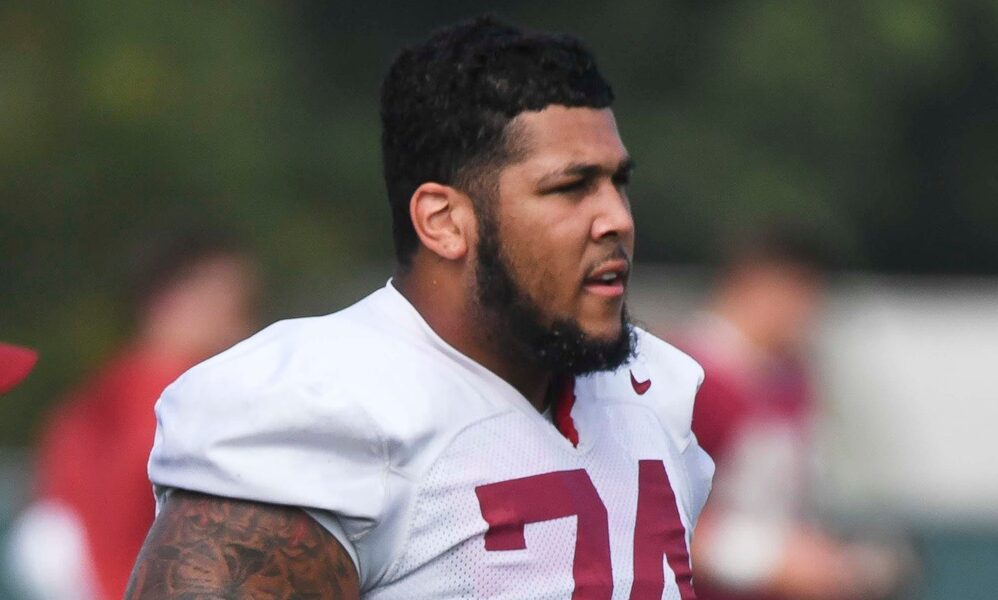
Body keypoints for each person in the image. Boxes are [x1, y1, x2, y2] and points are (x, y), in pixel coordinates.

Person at [126, 16, 714, 599]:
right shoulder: (331, 405)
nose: (618, 219)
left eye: (618, 182)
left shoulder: (652, 394)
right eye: (570, 187)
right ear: (444, 221)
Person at [7, 231, 259, 600]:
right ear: (172, 299)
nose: (246, 326)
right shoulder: (173, 395)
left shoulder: (101, 392)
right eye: (236, 305)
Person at [678, 228, 902, 600]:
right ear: (755, 285)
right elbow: (649, 518)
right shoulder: (685, 378)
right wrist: (767, 559)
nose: (811, 312)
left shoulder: (795, 380)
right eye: (803, 292)